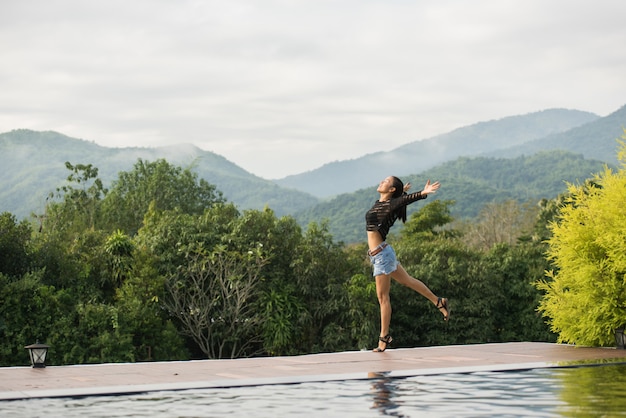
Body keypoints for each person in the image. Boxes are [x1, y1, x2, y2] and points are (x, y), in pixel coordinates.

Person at [365, 175, 449, 352]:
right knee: (408, 281)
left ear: (391, 189)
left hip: (382, 256)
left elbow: (404, 201)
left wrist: (422, 193)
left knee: (383, 298)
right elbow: (399, 201)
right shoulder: (382, 203)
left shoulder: (390, 204)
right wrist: (401, 193)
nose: (381, 181)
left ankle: (384, 337)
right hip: (382, 254)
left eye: (386, 181)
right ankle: (438, 301)